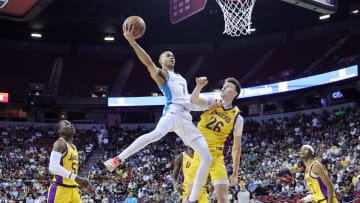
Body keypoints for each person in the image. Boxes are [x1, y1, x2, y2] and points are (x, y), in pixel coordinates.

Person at [103, 23, 212, 202]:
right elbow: (147, 62)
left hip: (186, 118)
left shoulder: (182, 79)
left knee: (207, 158)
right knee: (157, 134)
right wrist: (132, 41)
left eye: (173, 55)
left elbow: (189, 104)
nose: (172, 57)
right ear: (161, 61)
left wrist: (203, 99)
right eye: (167, 55)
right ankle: (117, 159)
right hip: (172, 113)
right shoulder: (162, 75)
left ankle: (191, 200)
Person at [188, 77, 244, 203]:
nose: (224, 87)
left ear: (234, 93)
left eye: (228, 86)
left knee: (223, 198)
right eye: (224, 85)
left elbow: (236, 148)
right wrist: (199, 87)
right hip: (200, 154)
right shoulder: (212, 101)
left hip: (217, 157)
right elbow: (194, 100)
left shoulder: (237, 118)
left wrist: (235, 174)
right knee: (190, 195)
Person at [47, 120, 94, 203]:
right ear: (60, 130)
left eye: (71, 124)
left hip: (73, 189)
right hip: (60, 190)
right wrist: (76, 178)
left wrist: (83, 184)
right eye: (66, 124)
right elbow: (52, 167)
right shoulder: (60, 143)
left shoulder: (74, 147)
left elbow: (70, 170)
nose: (71, 125)